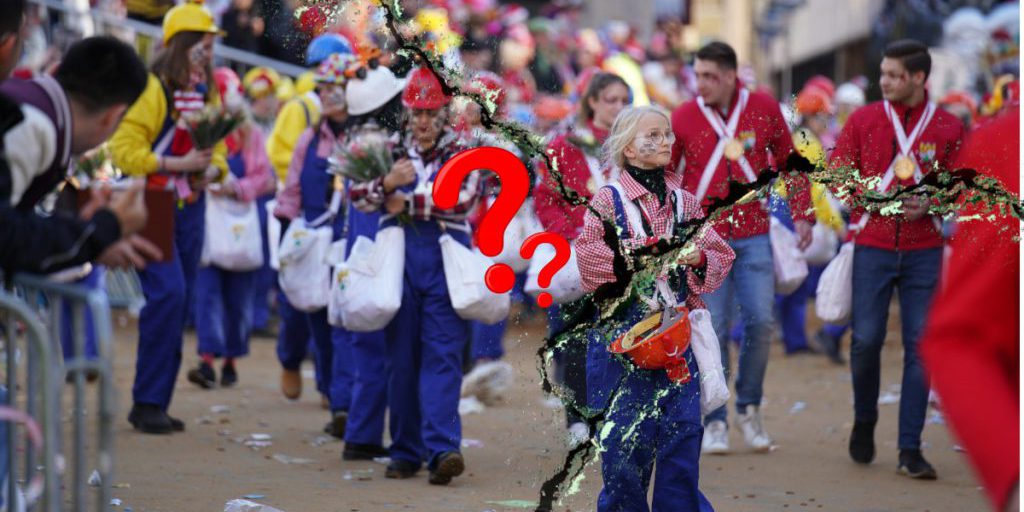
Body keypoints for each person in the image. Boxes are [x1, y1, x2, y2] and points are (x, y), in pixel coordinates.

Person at [575, 105, 733, 512]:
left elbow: (720, 254)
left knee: (682, 435)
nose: (665, 142)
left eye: (666, 134)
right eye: (653, 136)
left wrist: (697, 258)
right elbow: (588, 260)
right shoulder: (608, 202)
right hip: (621, 340)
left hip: (675, 339)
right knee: (624, 445)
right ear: (628, 149)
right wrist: (632, 260)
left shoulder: (686, 203)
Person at [667, 41, 814, 455]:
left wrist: (802, 212)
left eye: (710, 76)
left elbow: (790, 161)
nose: (702, 84)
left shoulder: (764, 108)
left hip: (754, 234)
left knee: (761, 324)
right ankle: (715, 420)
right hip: (706, 242)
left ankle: (749, 407)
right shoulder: (684, 115)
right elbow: (666, 174)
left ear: (732, 76)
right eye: (697, 75)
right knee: (711, 330)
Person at [828, 39, 965, 479]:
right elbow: (839, 173)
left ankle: (910, 448)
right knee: (866, 341)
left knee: (920, 348)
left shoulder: (946, 126)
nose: (883, 81)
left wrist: (934, 203)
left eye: (892, 75)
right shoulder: (865, 120)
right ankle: (866, 417)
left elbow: (962, 183)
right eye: (882, 73)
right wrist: (869, 197)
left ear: (918, 79)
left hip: (925, 250)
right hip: (873, 245)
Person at [350, 66, 481, 486]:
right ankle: (405, 451)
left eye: (431, 113)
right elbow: (358, 196)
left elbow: (461, 200)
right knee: (401, 359)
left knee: (443, 357)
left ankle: (442, 448)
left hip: (445, 262)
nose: (423, 122)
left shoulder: (464, 150)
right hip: (398, 264)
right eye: (416, 113)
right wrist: (387, 182)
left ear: (446, 112)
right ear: (405, 113)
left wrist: (399, 199)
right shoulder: (386, 150)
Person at [108, 0, 230, 434]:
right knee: (169, 295)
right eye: (204, 44)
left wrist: (211, 171)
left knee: (180, 301)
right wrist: (175, 167)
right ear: (182, 44)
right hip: (154, 207)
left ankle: (156, 399)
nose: (210, 52)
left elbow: (219, 157)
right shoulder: (153, 88)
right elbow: (122, 149)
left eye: (212, 45)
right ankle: (146, 401)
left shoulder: (207, 90)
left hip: (190, 208)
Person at [920, 105, 1019, 511]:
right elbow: (963, 338)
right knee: (870, 342)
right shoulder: (1008, 145)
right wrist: (1014, 479)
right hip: (894, 243)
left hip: (930, 244)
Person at [0, 30, 158, 276]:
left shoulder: (31, 105)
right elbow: (6, 237)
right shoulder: (32, 125)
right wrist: (104, 227)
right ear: (112, 116)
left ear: (56, 70)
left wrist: (86, 239)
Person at [532, 71, 630, 444]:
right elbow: (545, 199)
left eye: (624, 100)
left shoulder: (632, 146)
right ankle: (576, 419)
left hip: (621, 257)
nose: (618, 107)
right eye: (611, 99)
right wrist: (570, 234)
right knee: (572, 336)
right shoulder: (563, 146)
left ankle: (607, 412)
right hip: (574, 255)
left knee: (616, 336)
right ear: (592, 101)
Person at [274, 53, 359, 437]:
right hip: (311, 241)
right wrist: (286, 230)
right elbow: (292, 186)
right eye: (322, 89)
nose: (327, 96)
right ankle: (321, 382)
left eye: (334, 88)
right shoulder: (310, 137)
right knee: (312, 318)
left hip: (351, 243)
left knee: (343, 321)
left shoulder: (366, 135)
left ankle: (340, 401)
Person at [332, 60, 408, 461]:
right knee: (381, 349)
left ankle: (360, 431)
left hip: (356, 252)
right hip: (380, 251)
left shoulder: (354, 141)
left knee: (363, 347)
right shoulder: (383, 145)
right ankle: (363, 437)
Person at [187, 67, 275, 389]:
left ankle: (231, 360)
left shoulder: (251, 136)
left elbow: (264, 177)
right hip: (210, 222)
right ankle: (208, 359)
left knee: (238, 297)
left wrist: (236, 188)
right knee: (208, 290)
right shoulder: (204, 129)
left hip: (240, 224)